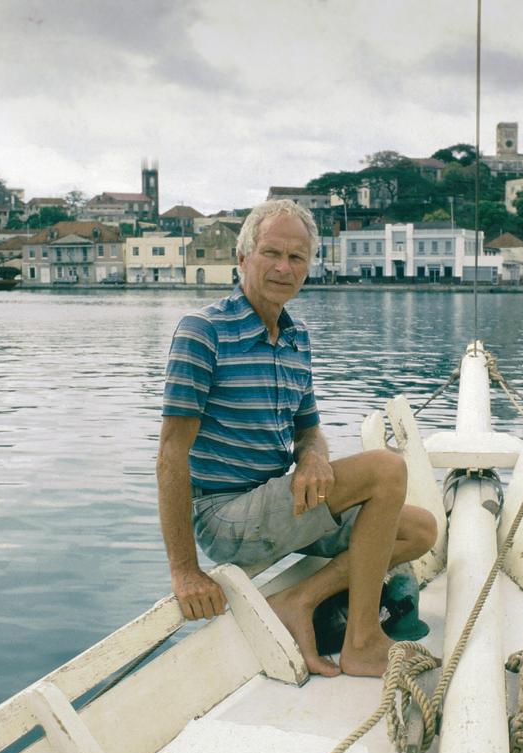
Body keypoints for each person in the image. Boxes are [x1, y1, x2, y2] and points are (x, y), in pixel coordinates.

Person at [156, 199, 437, 677]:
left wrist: (311, 459)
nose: (284, 268)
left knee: (420, 529)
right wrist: (185, 570)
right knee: (387, 468)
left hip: (276, 504)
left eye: (297, 257)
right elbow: (170, 455)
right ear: (242, 259)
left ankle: (299, 600)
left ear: (309, 267)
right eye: (271, 253)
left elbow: (309, 430)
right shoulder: (203, 332)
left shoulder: (296, 337)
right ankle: (362, 641)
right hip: (225, 516)